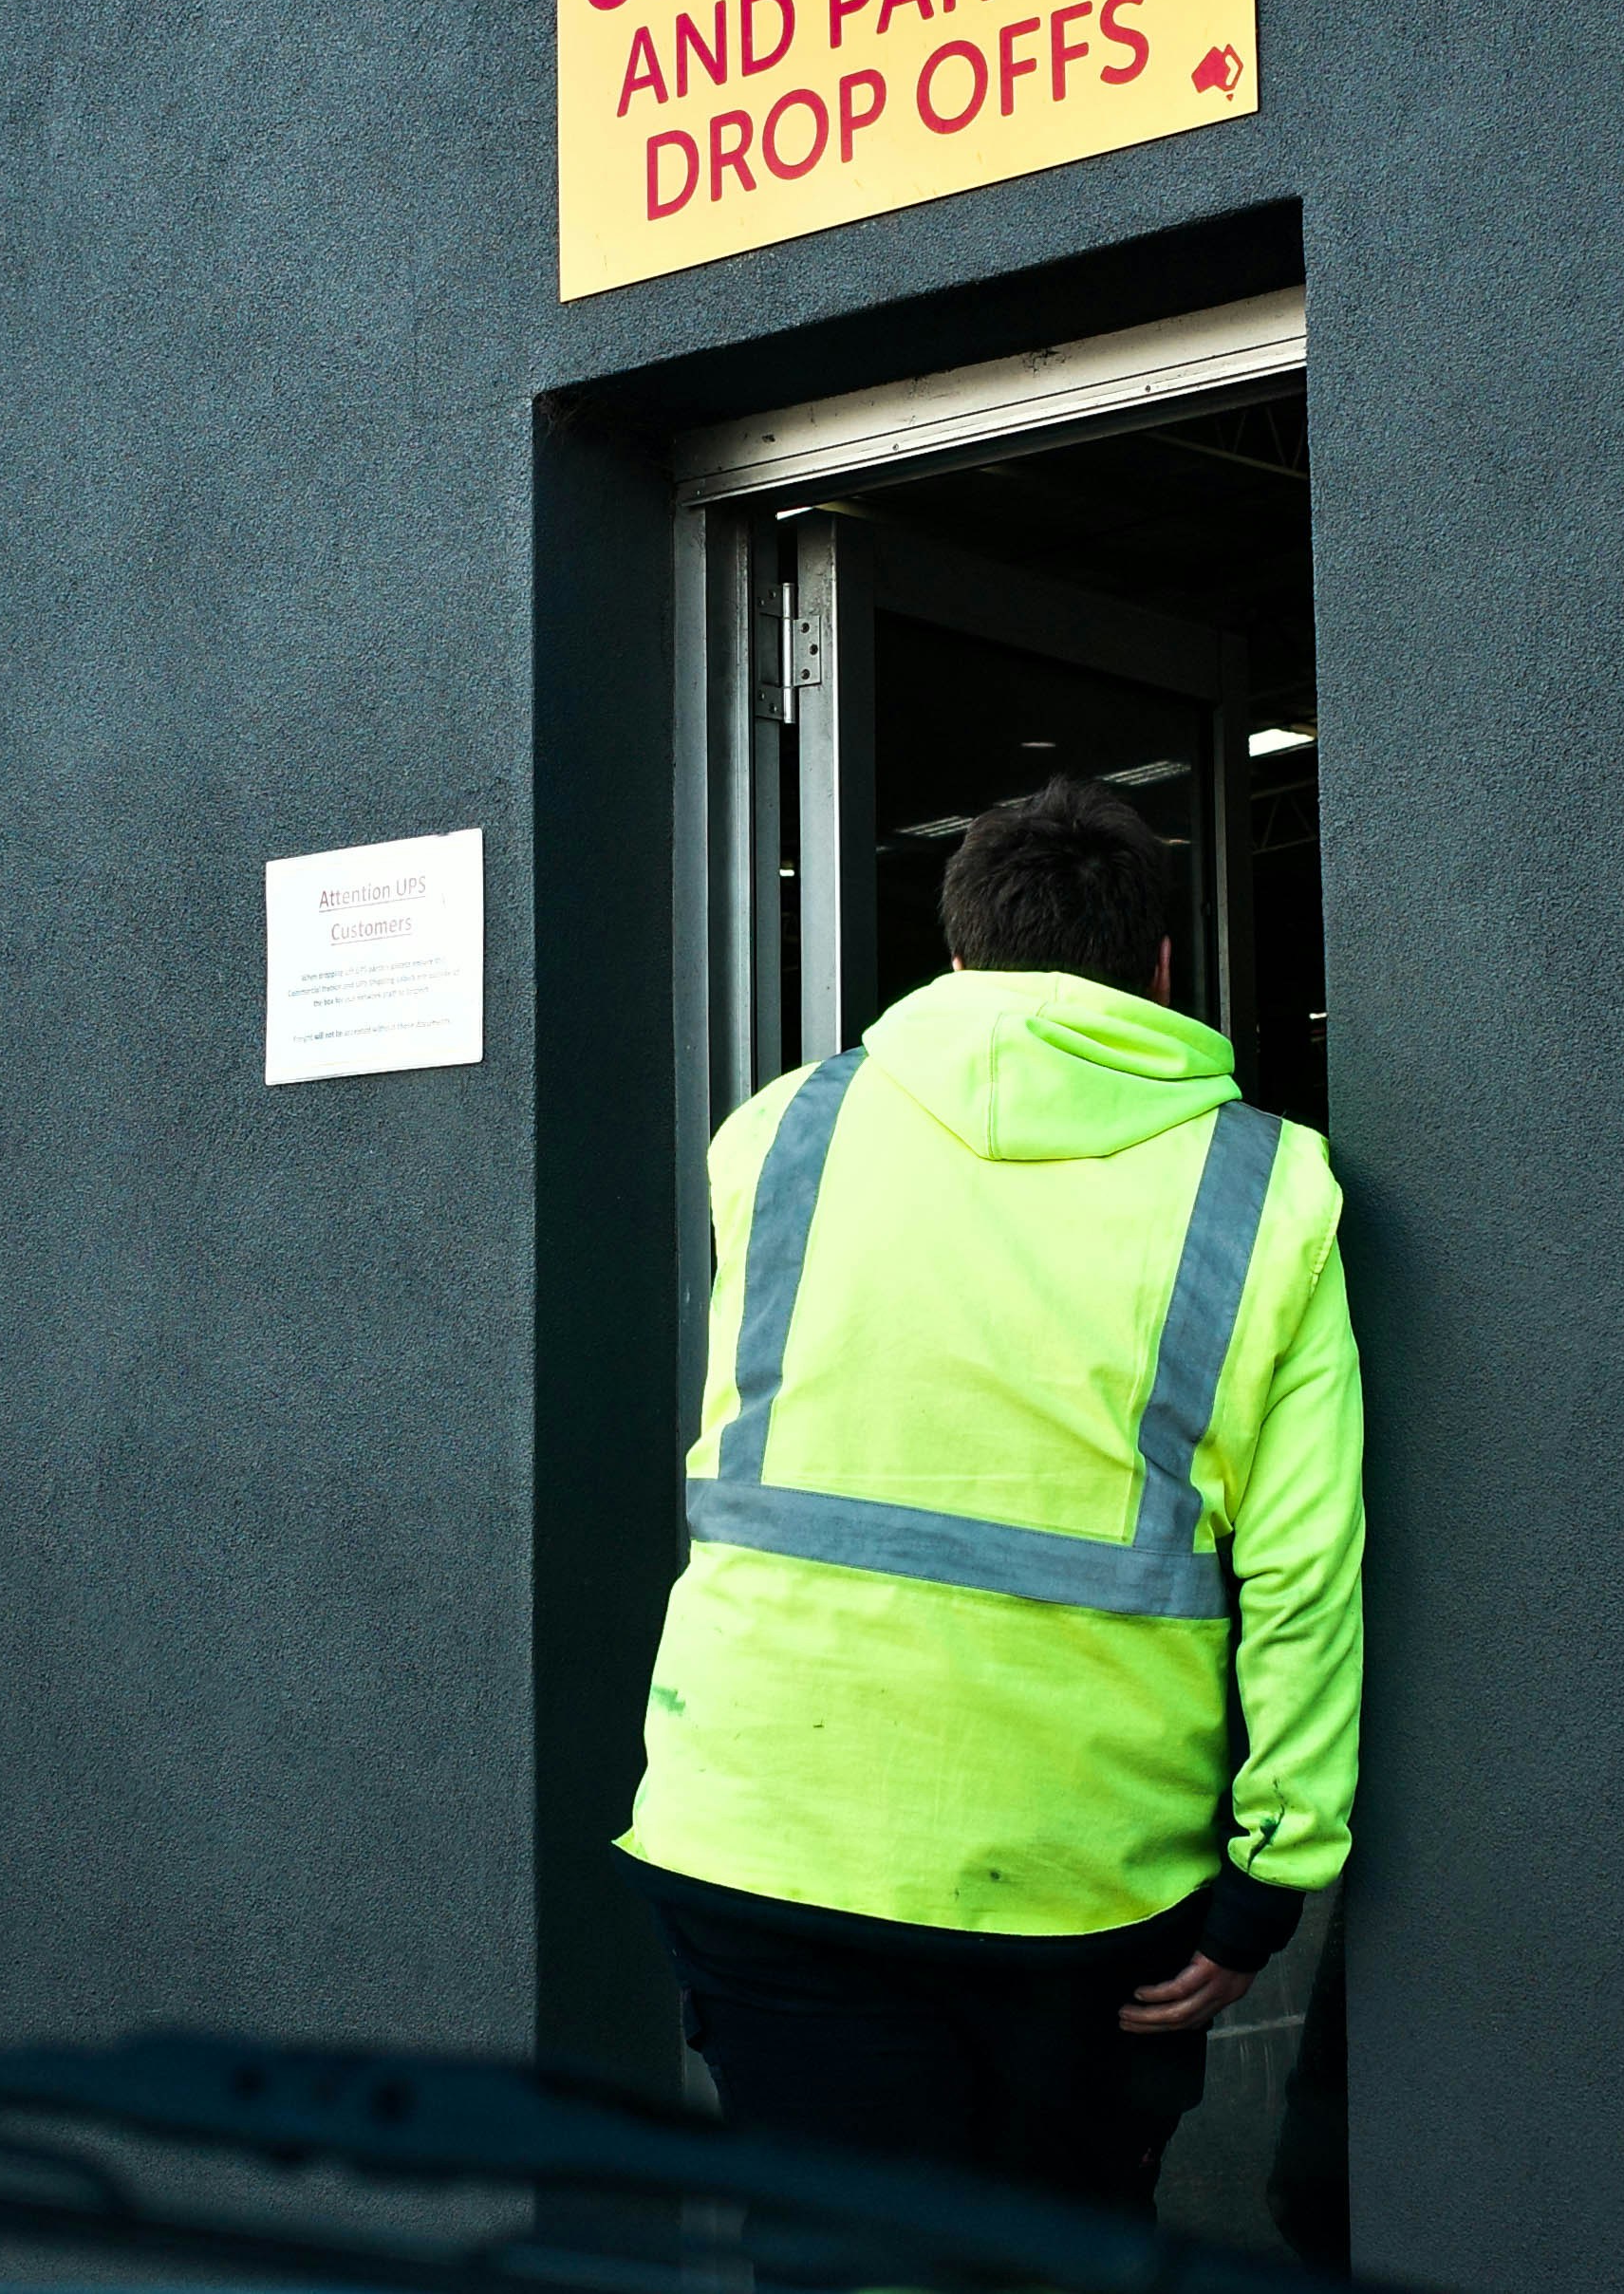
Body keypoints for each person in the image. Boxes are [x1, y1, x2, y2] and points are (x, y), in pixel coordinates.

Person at [620, 772, 1362, 2214]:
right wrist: (1273, 1874)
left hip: (754, 1832)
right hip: (1077, 1882)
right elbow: (1303, 1571)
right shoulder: (1271, 1192)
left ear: (952, 958)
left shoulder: (777, 1131)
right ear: (1160, 968)